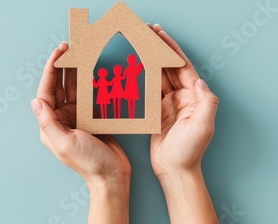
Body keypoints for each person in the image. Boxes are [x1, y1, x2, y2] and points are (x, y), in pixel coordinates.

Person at [30, 24, 219, 224]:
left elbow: (133, 70)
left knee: (124, 106)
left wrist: (107, 180)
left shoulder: (125, 74)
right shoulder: (110, 79)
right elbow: (101, 83)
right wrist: (180, 171)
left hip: (126, 92)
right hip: (110, 95)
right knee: (111, 107)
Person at [123, 54, 143, 119]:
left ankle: (132, 116)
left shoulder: (133, 68)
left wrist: (141, 65)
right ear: (128, 61)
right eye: (130, 61)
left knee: (133, 101)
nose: (131, 62)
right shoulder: (128, 68)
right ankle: (130, 116)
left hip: (133, 85)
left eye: (133, 61)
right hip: (129, 85)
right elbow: (123, 77)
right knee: (130, 101)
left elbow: (138, 71)